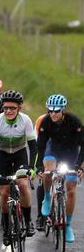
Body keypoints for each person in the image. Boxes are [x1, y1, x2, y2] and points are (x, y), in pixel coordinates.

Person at [0, 90, 37, 245]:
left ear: (19, 108)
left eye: (12, 108)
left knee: (23, 184)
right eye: (6, 108)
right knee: (4, 193)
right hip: (4, 156)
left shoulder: (25, 120)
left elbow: (33, 147)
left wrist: (32, 168)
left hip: (20, 154)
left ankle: (28, 221)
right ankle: (6, 228)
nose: (9, 111)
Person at [37, 94, 84, 243]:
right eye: (50, 110)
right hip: (53, 151)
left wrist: (79, 166)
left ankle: (67, 225)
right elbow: (41, 146)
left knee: (71, 189)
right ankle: (47, 197)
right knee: (48, 170)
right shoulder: (46, 122)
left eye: (56, 111)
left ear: (63, 111)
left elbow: (83, 146)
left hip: (71, 154)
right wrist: (39, 166)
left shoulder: (74, 122)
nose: (53, 114)